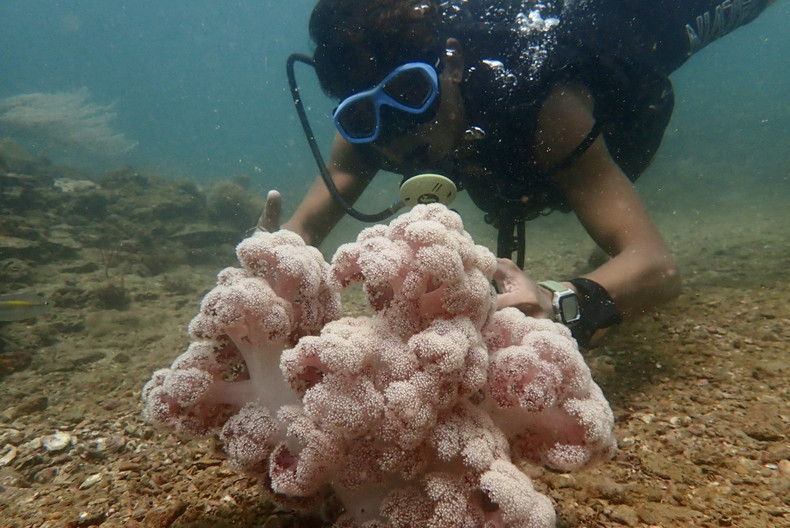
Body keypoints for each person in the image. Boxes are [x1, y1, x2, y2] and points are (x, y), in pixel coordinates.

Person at [262, 0, 778, 347]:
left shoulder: (539, 101)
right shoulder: (372, 121)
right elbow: (300, 229)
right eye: (361, 115)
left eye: (411, 95)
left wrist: (556, 302)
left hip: (642, 28)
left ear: (452, 64)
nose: (398, 138)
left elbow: (657, 267)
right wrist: (264, 272)